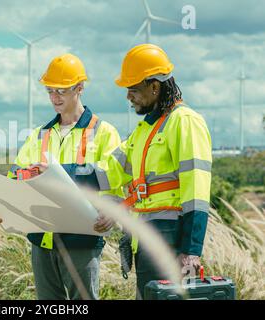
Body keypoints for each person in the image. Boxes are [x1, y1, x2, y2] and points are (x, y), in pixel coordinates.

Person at [0, 53, 124, 300]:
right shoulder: (40, 135)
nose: (54, 98)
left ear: (79, 88)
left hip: (82, 238)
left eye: (61, 91)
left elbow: (115, 179)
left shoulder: (104, 132)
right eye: (50, 91)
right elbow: (16, 178)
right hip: (43, 240)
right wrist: (0, 207)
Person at [95, 44, 212, 299]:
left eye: (133, 89)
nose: (128, 97)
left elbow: (197, 190)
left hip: (170, 237)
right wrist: (63, 176)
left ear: (155, 87)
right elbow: (109, 170)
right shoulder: (144, 130)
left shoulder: (184, 121)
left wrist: (191, 250)